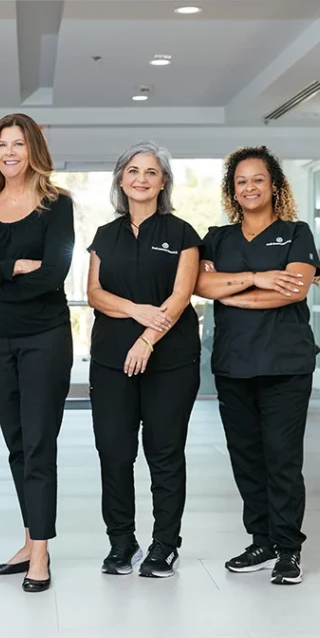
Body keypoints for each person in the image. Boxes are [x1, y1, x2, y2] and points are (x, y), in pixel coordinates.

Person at [0, 113, 75, 593]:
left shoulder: (56, 205)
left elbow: (53, 275)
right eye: (2, 144)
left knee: (40, 444)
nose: (9, 153)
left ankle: (40, 554)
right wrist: (12, 269)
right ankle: (29, 540)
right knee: (17, 444)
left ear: (33, 152)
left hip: (45, 336)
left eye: (18, 144)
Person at [194, 146, 320, 586]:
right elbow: (199, 283)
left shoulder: (295, 232)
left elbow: (296, 290)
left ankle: (288, 548)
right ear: (233, 191)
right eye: (241, 181)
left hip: (285, 364)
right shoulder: (217, 238)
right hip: (233, 364)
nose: (250, 188)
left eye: (258, 180)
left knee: (282, 458)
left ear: (275, 186)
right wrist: (257, 278)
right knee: (246, 458)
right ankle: (261, 540)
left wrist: (232, 295)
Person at [86, 141, 201, 578]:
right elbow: (94, 294)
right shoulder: (105, 235)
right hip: (111, 360)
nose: (141, 178)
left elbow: (179, 296)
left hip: (170, 360)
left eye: (151, 172)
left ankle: (164, 545)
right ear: (121, 179)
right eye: (133, 171)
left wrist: (147, 340)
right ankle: (122, 542)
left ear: (163, 182)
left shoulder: (183, 233)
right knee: (114, 452)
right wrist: (134, 309)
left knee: (164, 452)